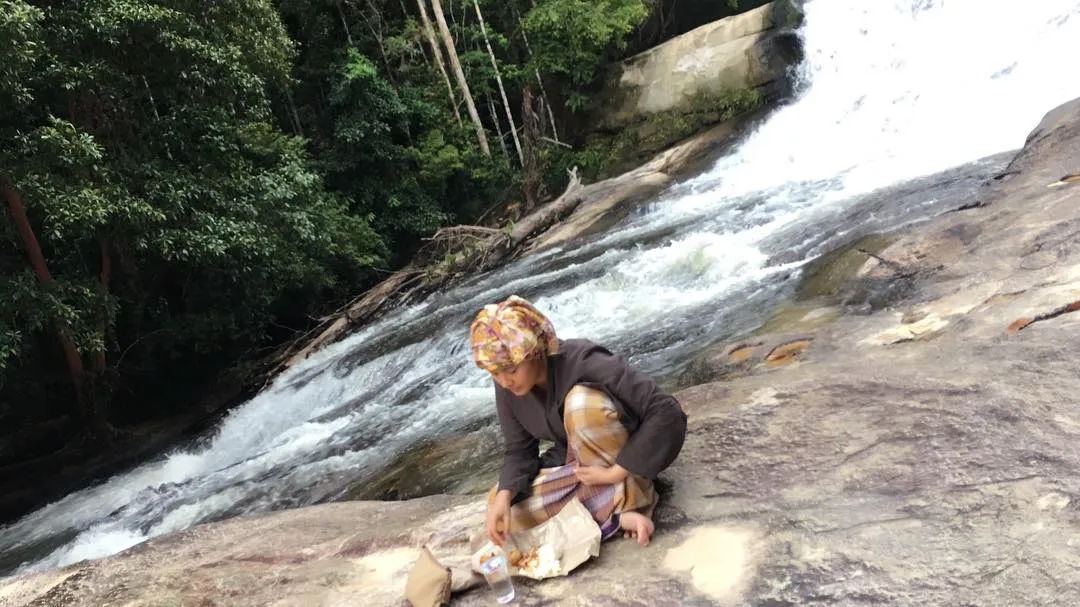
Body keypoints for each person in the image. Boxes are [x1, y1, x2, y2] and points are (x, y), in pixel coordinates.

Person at [469, 295, 687, 548]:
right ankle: (616, 516)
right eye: (495, 373)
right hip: (585, 469)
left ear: (534, 352)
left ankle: (631, 496)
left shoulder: (584, 360)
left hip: (627, 457)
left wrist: (615, 472)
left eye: (512, 369)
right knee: (506, 510)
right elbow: (520, 450)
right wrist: (505, 496)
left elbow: (664, 410)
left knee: (580, 405)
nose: (505, 381)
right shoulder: (508, 389)